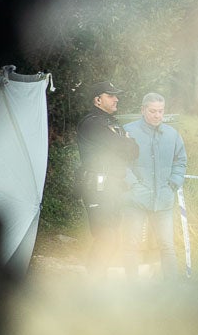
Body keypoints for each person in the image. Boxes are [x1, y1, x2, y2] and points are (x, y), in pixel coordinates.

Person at [76, 80, 140, 277]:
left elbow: (134, 151)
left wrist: (127, 143)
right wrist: (126, 141)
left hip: (112, 187)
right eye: (110, 95)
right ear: (97, 100)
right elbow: (125, 147)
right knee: (106, 236)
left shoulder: (111, 123)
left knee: (112, 237)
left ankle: (97, 277)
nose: (116, 98)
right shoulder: (92, 123)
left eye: (116, 95)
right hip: (97, 187)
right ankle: (94, 279)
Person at [124, 92, 188, 279]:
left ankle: (172, 289)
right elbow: (119, 162)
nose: (157, 115)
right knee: (131, 244)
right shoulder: (128, 131)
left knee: (167, 245)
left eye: (160, 111)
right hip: (135, 200)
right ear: (143, 110)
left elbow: (181, 161)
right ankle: (131, 289)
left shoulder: (172, 134)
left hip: (163, 200)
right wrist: (133, 185)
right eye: (152, 111)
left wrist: (173, 184)